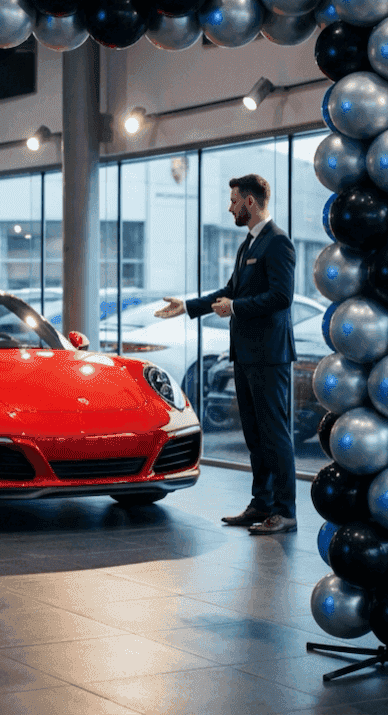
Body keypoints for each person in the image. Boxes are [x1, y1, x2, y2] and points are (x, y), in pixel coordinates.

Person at [156, 174, 298, 535]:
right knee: (254, 433)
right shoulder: (249, 244)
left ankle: (285, 512)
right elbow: (229, 292)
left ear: (250, 202)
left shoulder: (278, 243)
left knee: (274, 434)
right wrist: (188, 306)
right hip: (248, 355)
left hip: (269, 356)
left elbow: (281, 298)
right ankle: (261, 504)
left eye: (234, 200)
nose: (230, 206)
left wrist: (236, 308)